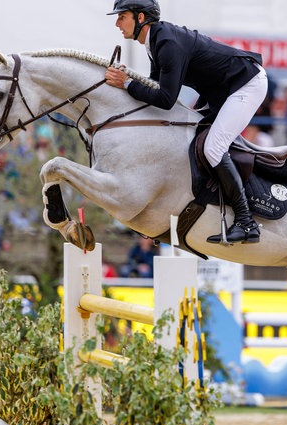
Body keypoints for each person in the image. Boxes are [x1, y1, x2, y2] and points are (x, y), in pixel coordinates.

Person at [104, 0, 266, 244]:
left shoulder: (167, 43)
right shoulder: (157, 40)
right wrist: (129, 80)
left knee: (213, 148)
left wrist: (126, 83)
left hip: (245, 85)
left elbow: (165, 99)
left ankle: (246, 221)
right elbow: (154, 87)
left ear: (140, 18)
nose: (117, 23)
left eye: (122, 16)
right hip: (223, 90)